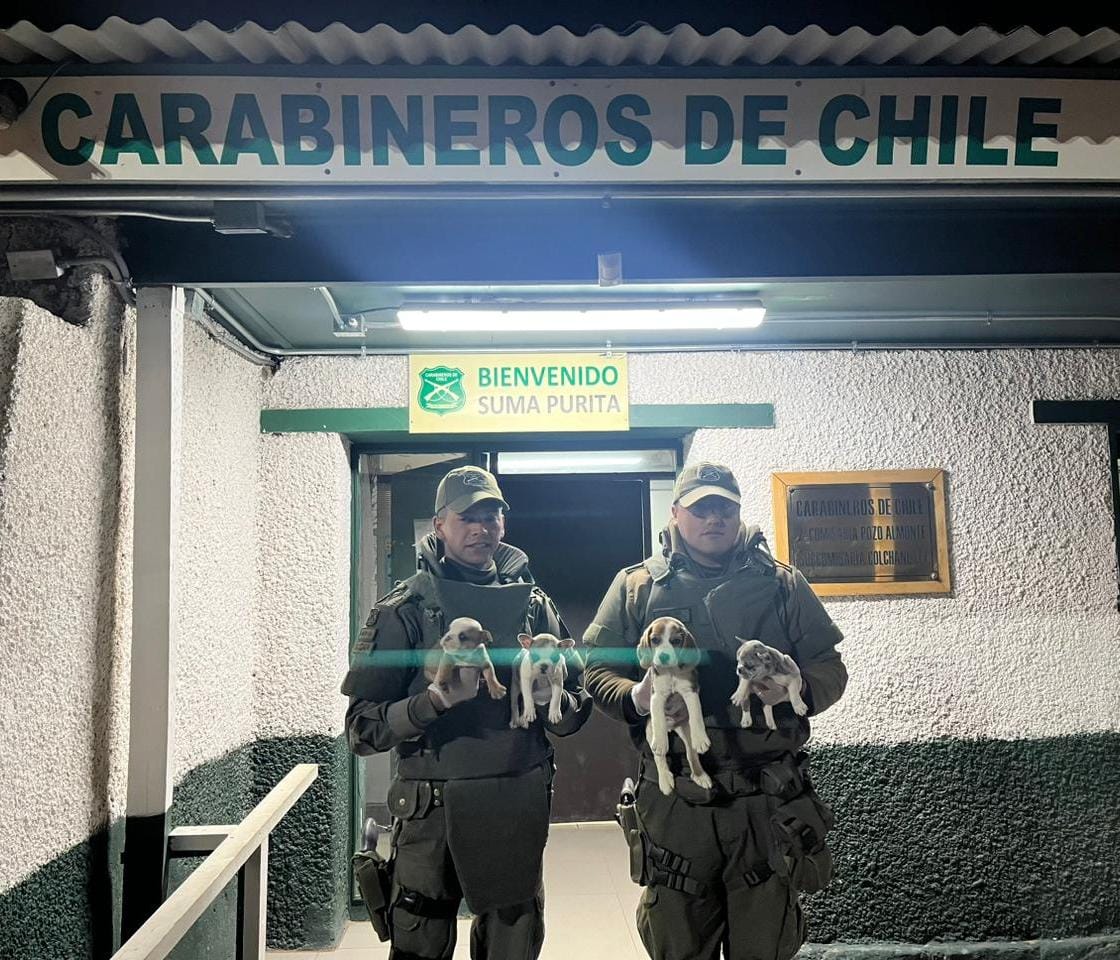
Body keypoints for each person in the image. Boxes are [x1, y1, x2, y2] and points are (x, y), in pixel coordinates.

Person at [584, 461, 847, 960]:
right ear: (677, 513)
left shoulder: (783, 584)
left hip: (765, 801)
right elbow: (596, 671)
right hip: (677, 803)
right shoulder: (636, 585)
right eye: (701, 507)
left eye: (724, 507)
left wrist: (799, 691)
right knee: (678, 941)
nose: (714, 518)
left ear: (738, 513)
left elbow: (829, 667)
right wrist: (638, 696)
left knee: (765, 943)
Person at [342, 465, 592, 960]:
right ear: (439, 525)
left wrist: (550, 702)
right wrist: (431, 703)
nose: (482, 528)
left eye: (492, 515)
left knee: (512, 939)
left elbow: (576, 708)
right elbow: (362, 730)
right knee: (421, 940)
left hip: (515, 801)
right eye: (468, 518)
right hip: (431, 810)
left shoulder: (533, 607)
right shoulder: (404, 611)